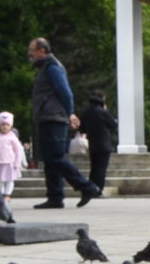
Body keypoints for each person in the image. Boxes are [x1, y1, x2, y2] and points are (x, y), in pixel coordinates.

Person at [26, 38, 98, 208]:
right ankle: (55, 197)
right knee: (50, 160)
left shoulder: (52, 67)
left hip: (54, 118)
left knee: (56, 158)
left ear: (42, 51)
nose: (30, 53)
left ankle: (87, 186)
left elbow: (66, 93)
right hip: (47, 118)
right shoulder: (46, 67)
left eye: (32, 50)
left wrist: (70, 113)